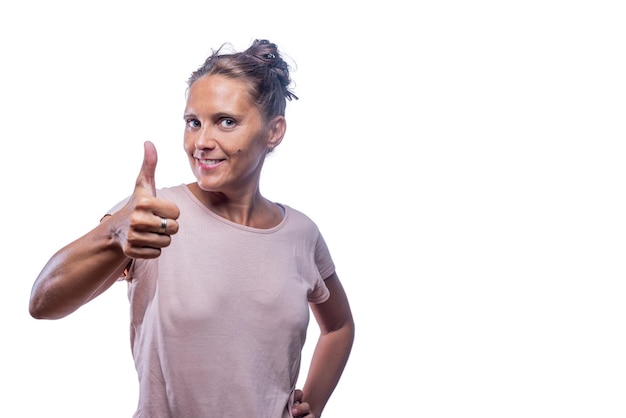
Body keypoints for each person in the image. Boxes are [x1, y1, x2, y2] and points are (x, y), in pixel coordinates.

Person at [29, 39, 354, 418]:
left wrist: (313, 404)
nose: (201, 142)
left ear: (274, 131)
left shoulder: (301, 234)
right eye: (193, 122)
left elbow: (339, 326)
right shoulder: (154, 214)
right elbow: (43, 304)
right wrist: (112, 233)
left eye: (226, 121)